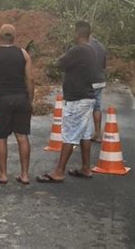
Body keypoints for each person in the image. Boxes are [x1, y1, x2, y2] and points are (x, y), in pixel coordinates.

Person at [37, 20, 96, 183]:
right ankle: (86, 168)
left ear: (78, 33)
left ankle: (59, 171)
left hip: (77, 99)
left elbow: (59, 63)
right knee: (85, 135)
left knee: (70, 135)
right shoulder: (91, 50)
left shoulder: (77, 50)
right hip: (87, 97)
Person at [0, 24, 34, 185]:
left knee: (1, 138)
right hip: (21, 99)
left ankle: (3, 174)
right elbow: (30, 79)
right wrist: (29, 100)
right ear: (14, 37)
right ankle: (24, 175)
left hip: (2, 100)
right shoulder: (23, 54)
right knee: (22, 137)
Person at [89, 35, 107, 143]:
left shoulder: (85, 46)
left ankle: (83, 135)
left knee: (84, 107)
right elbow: (104, 65)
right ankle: (97, 134)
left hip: (88, 82)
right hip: (100, 81)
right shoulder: (101, 46)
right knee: (97, 107)